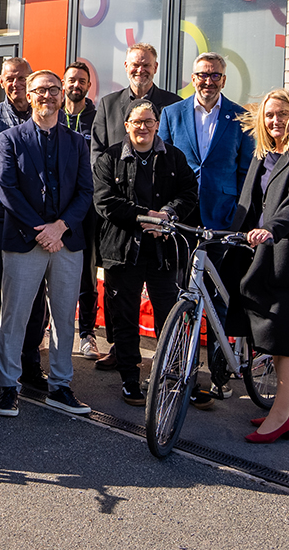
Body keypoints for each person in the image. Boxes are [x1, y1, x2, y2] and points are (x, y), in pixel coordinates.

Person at [0, 70, 93, 418]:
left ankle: (61, 386)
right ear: (29, 96)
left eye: (54, 89)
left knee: (65, 318)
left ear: (62, 95)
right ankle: (8, 386)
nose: (47, 95)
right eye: (40, 90)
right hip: (24, 239)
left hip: (67, 241)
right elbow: (6, 188)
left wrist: (60, 228)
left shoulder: (78, 142)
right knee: (15, 316)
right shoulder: (10, 138)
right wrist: (41, 229)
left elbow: (86, 192)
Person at [227, 89, 289, 443]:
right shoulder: (263, 154)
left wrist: (270, 229)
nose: (275, 121)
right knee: (271, 334)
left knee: (287, 338)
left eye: (282, 114)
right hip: (262, 256)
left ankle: (282, 416)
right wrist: (232, 234)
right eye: (269, 115)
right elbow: (248, 202)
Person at [158, 52, 255, 404]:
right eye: (203, 75)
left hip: (222, 218)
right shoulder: (172, 114)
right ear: (193, 77)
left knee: (217, 297)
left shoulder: (242, 117)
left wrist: (239, 218)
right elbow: (164, 163)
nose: (209, 81)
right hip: (183, 220)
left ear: (224, 80)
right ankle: (181, 365)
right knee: (182, 293)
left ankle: (218, 372)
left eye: (215, 75)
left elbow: (246, 173)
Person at [92, 99, 197, 406]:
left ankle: (171, 373)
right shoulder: (110, 159)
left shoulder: (173, 158)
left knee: (169, 315)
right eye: (137, 122)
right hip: (122, 250)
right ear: (127, 126)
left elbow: (189, 193)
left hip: (163, 252)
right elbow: (104, 202)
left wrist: (167, 214)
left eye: (149, 122)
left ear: (157, 125)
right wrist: (146, 216)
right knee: (124, 318)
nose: (143, 127)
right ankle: (129, 378)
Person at [0, 58, 50, 392]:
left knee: (35, 296)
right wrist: (13, 201)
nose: (16, 84)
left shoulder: (45, 117)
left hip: (42, 223)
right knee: (5, 297)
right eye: (9, 79)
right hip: (5, 219)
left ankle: (31, 362)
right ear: (1, 83)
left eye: (21, 78)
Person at [61, 61, 102, 361]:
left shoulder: (97, 117)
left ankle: (87, 331)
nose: (77, 85)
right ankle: (49, 327)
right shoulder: (53, 115)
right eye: (72, 79)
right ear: (64, 84)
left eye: (82, 81)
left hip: (87, 206)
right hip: (55, 204)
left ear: (89, 86)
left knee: (86, 271)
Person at [91, 44, 182, 156]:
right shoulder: (108, 104)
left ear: (155, 67)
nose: (140, 70)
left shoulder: (174, 105)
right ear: (126, 66)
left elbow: (180, 151)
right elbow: (97, 152)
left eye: (146, 65)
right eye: (135, 65)